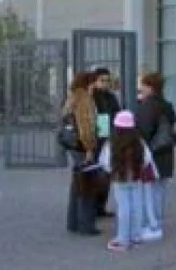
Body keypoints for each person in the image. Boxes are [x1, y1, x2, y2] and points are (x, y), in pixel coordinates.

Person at [97, 111, 159, 252]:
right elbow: (147, 159)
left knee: (123, 208)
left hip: (119, 178)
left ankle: (123, 238)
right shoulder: (139, 142)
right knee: (137, 206)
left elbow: (105, 162)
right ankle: (136, 236)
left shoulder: (112, 143)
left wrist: (112, 171)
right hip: (136, 177)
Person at [134, 72, 176, 238]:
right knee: (160, 190)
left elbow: (143, 131)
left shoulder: (148, 106)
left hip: (151, 154)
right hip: (165, 152)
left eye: (144, 85)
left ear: (150, 87)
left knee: (149, 191)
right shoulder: (166, 105)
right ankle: (157, 222)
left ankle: (151, 225)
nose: (141, 88)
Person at [61, 72, 102, 237]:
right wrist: (90, 148)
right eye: (93, 82)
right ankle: (86, 224)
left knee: (77, 184)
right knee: (87, 185)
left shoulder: (72, 97)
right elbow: (86, 126)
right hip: (83, 146)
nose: (95, 86)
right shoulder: (85, 99)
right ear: (88, 83)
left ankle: (73, 221)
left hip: (73, 145)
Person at [91, 67, 121, 218]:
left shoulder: (111, 97)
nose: (105, 83)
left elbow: (117, 114)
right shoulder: (92, 97)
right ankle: (93, 206)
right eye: (102, 80)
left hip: (109, 138)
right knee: (96, 173)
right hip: (96, 140)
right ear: (95, 81)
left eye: (107, 80)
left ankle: (100, 206)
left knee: (106, 173)